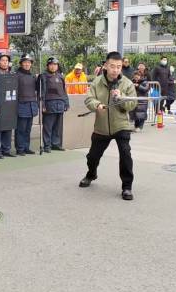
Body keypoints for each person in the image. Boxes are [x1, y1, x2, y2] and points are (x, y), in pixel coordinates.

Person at [80, 51, 137, 201]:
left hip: (121, 125)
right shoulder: (97, 82)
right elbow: (89, 99)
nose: (115, 70)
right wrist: (97, 105)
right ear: (105, 65)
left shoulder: (127, 83)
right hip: (101, 127)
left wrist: (121, 98)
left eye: (118, 67)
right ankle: (91, 174)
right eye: (112, 66)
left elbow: (132, 104)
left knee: (125, 154)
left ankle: (127, 187)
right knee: (93, 156)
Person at [39, 56, 69, 152]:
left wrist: (66, 103)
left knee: (58, 127)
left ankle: (56, 144)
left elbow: (64, 91)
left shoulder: (60, 76)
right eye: (51, 65)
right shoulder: (44, 76)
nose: (53, 66)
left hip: (60, 104)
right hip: (49, 105)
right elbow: (42, 92)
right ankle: (47, 146)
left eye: (55, 65)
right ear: (48, 66)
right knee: (48, 126)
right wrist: (43, 105)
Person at [0, 52, 16, 158]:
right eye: (2, 60)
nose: (5, 62)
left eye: (7, 60)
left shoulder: (12, 74)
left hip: (9, 105)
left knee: (8, 127)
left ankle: (6, 150)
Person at [14, 54, 38, 156]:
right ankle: (20, 148)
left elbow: (37, 88)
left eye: (29, 62)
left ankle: (26, 147)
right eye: (25, 62)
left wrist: (40, 79)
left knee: (28, 129)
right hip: (21, 105)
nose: (27, 64)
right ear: (21, 64)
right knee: (21, 129)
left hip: (31, 105)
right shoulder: (16, 75)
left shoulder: (32, 76)